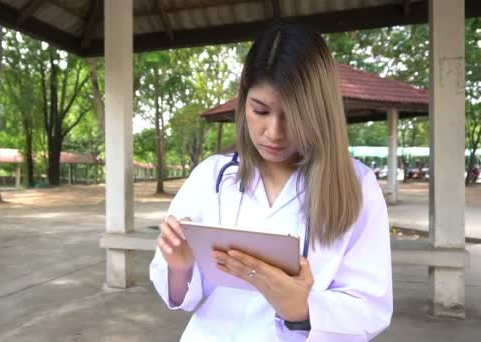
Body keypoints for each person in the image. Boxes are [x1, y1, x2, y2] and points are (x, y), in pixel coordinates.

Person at [149, 22, 392, 341]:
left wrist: (301, 308)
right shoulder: (213, 177)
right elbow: (182, 295)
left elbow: (371, 306)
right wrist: (179, 267)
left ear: (319, 112)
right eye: (260, 111)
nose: (274, 132)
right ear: (243, 101)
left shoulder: (357, 186)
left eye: (293, 115)